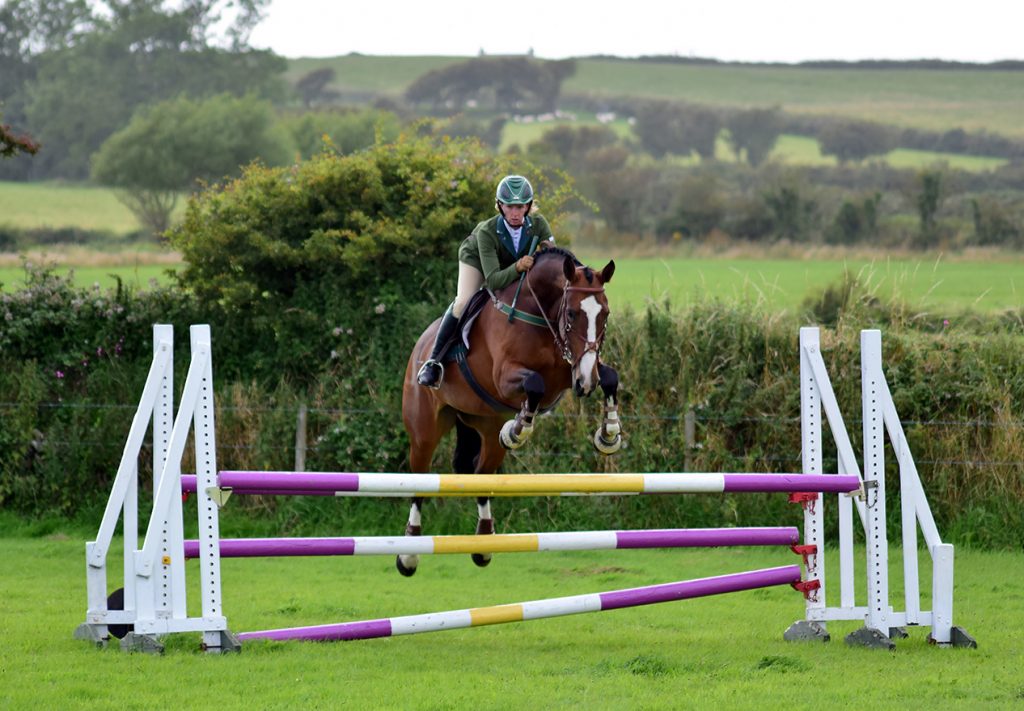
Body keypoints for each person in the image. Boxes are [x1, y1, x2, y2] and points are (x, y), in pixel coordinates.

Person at [416, 174, 555, 389]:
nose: (515, 213)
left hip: (511, 261)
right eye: (510, 207)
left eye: (520, 207)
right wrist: (518, 267)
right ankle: (433, 362)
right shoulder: (487, 231)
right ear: (500, 206)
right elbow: (494, 281)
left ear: (528, 207)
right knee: (464, 300)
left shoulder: (538, 224)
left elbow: (552, 258)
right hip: (477, 260)